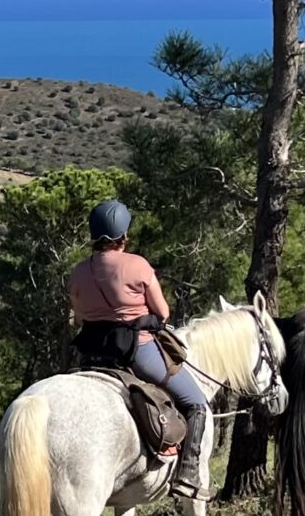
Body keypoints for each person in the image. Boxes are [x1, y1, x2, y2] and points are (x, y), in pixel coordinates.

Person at [67, 200, 213, 498]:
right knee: (196, 402)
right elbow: (163, 312)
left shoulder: (79, 272)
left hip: (93, 355)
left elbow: (79, 317)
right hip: (137, 351)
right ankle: (188, 474)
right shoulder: (138, 265)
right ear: (124, 235)